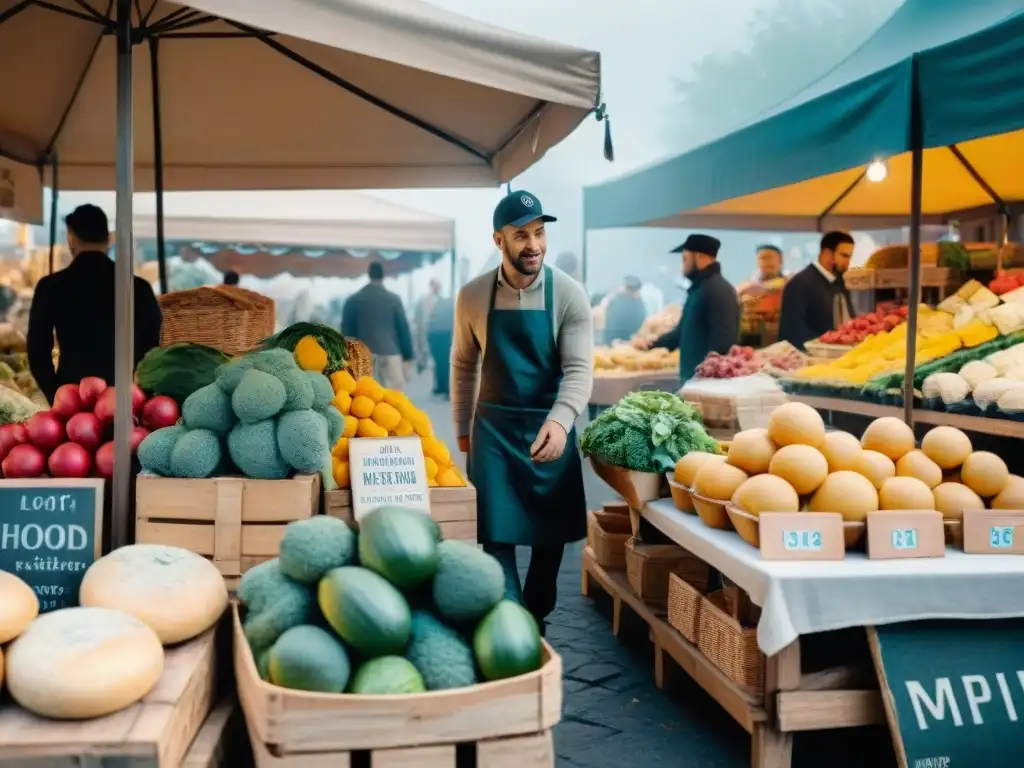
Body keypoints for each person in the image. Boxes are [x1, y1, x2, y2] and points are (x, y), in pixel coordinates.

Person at [451, 190, 592, 634]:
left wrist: (561, 419)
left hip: (550, 422)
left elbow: (578, 369)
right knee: (495, 535)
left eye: (539, 233)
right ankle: (515, 625)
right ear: (499, 241)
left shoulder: (569, 294)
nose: (533, 245)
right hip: (493, 428)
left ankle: (536, 607)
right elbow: (462, 363)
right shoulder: (472, 297)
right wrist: (461, 427)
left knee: (550, 540)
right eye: (521, 236)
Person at [28, 204, 162, 404]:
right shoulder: (137, 288)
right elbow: (153, 345)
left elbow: (37, 348)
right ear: (108, 238)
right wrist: (140, 390)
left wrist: (54, 393)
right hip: (124, 398)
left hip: (72, 396)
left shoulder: (51, 287)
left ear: (71, 237)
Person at [634, 234, 738, 381]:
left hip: (705, 383)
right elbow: (681, 331)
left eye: (685, 259)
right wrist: (651, 344)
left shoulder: (717, 290)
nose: (682, 266)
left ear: (699, 257)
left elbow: (724, 340)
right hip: (693, 379)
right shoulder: (700, 289)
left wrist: (710, 374)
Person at [342, 262, 414, 390]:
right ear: (383, 276)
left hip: (363, 358)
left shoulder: (353, 300)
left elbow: (346, 334)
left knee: (365, 403)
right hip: (390, 356)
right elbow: (403, 330)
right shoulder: (394, 299)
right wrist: (408, 357)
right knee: (392, 403)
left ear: (369, 275)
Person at [778, 231, 854, 350]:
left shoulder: (840, 282)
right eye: (844, 256)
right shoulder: (799, 284)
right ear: (826, 254)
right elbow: (793, 331)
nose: (848, 262)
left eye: (850, 256)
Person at [737, 245, 786, 347]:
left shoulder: (789, 285)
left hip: (778, 342)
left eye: (770, 258)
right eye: (762, 258)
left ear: (780, 261)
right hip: (748, 342)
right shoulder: (746, 286)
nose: (766, 262)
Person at [602, 275, 648, 344]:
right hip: (628, 341)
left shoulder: (620, 302)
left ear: (626, 288)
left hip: (618, 340)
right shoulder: (639, 303)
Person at [427, 288, 454, 398]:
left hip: (438, 335)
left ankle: (445, 388)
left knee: (441, 363)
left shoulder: (439, 303)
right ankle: (444, 388)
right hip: (443, 335)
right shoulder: (447, 304)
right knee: (443, 363)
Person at [412, 278, 442, 375]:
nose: (438, 288)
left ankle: (422, 363)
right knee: (423, 346)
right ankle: (422, 363)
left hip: (429, 328)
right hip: (427, 327)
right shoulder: (428, 299)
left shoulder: (435, 299)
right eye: (436, 286)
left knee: (424, 346)